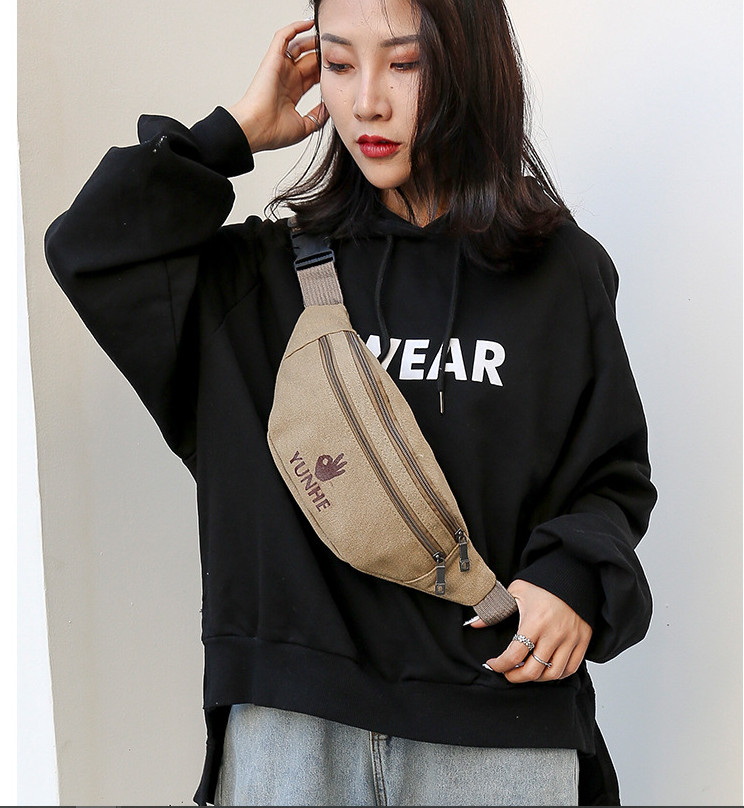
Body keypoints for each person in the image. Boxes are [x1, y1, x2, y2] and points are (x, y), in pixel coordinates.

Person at [44, 0, 656, 805]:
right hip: (293, 732)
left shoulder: (560, 273)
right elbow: (90, 248)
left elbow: (611, 476)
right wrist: (232, 133)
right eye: (338, 63)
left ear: (471, 65)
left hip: (498, 722)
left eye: (404, 63)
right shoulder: (256, 284)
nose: (366, 100)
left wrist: (573, 577)